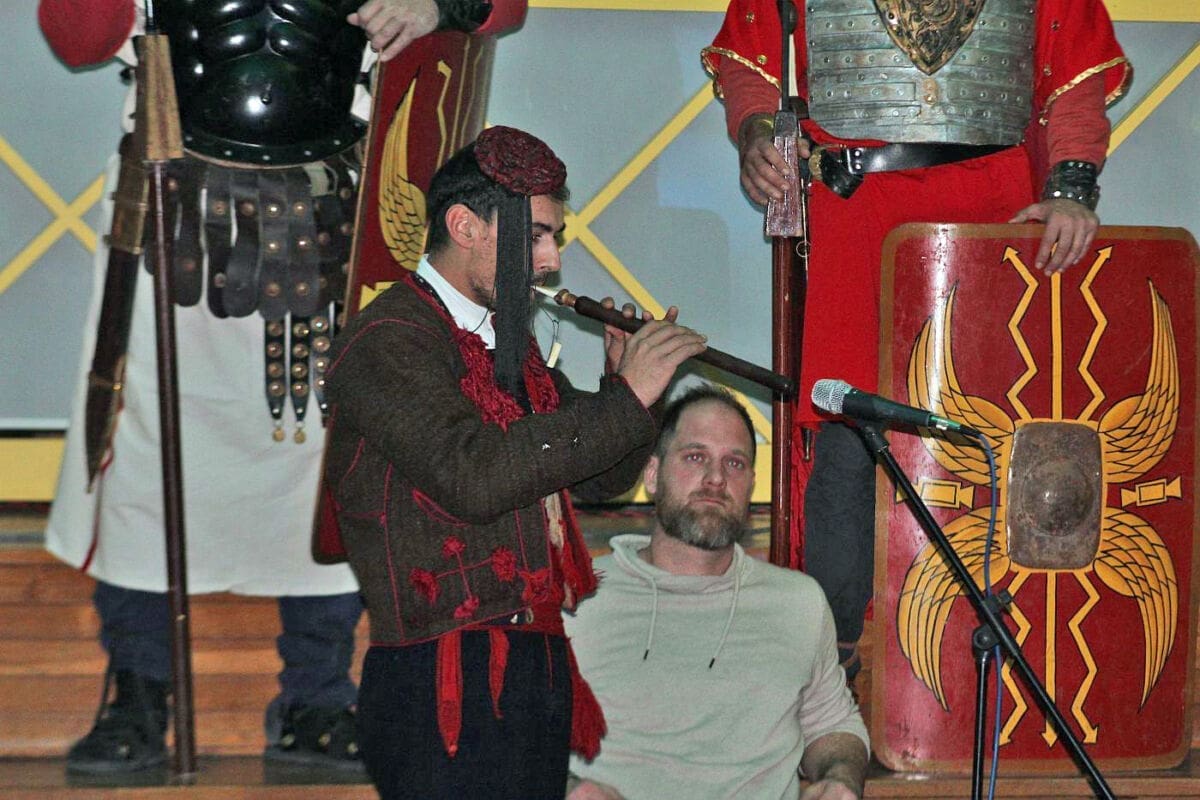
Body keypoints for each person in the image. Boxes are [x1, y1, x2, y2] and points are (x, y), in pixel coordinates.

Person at [37, 0, 524, 775]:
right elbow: (77, 37)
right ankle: (139, 689)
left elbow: (503, 6)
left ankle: (317, 696)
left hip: (336, 209)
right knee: (143, 457)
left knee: (329, 465)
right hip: (171, 202)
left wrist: (435, 4)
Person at [701, 0, 1130, 679]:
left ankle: (984, 654)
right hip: (855, 209)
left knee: (989, 437)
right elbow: (750, 52)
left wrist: (1072, 184)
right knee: (847, 433)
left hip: (996, 206)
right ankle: (831, 665)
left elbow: (1070, 60)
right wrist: (758, 130)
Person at [320, 125, 708, 799]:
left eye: (553, 237)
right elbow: (474, 477)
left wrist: (625, 389)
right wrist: (626, 399)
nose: (551, 260)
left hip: (534, 669)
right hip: (441, 681)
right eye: (535, 236)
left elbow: (601, 480)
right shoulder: (385, 341)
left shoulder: (510, 348)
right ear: (464, 226)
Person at [564, 386, 869, 800]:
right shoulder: (577, 597)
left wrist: (840, 780)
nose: (716, 478)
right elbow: (513, 731)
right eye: (695, 457)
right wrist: (571, 789)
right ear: (652, 474)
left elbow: (832, 724)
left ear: (751, 484)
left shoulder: (798, 603)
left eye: (734, 463)